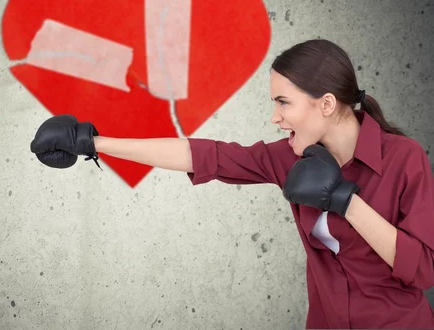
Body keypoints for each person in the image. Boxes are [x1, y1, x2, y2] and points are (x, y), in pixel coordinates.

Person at [31, 39, 434, 329]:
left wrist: (347, 201)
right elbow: (204, 155)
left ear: (326, 104)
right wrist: (92, 141)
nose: (275, 117)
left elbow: (423, 271)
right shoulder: (290, 156)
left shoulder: (404, 158)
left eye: (283, 102)